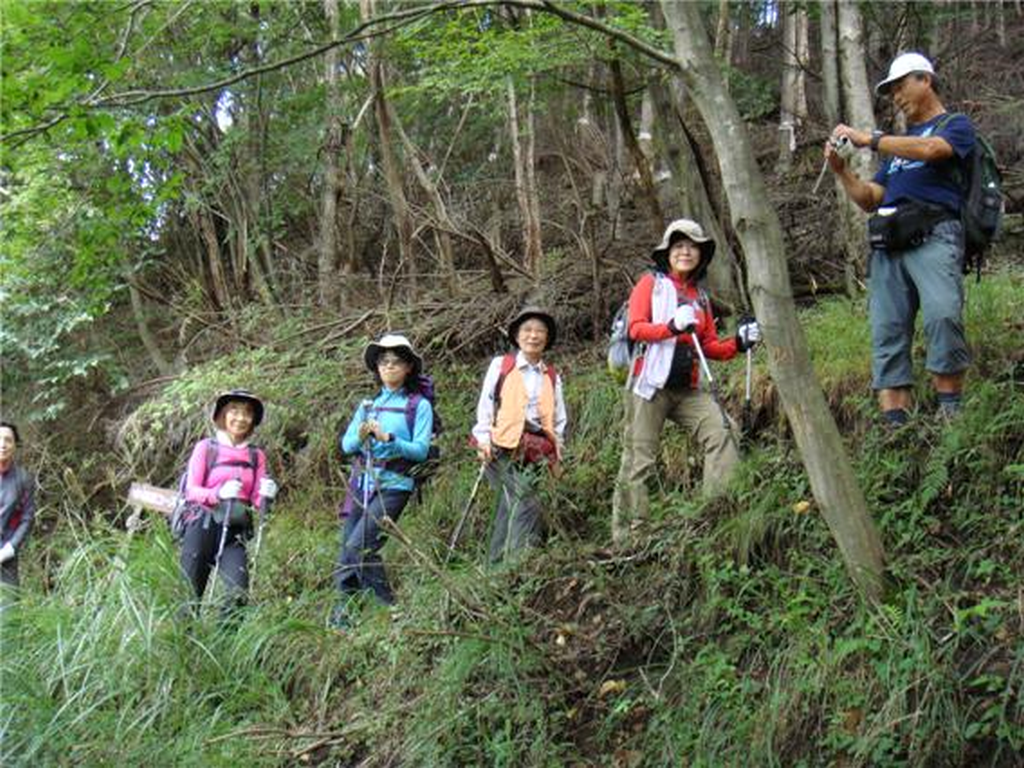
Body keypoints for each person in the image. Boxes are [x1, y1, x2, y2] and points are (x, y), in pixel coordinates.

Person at [826, 52, 975, 425]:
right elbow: (870, 199)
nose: (895, 96)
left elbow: (932, 150)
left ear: (925, 80)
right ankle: (898, 434)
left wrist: (871, 140)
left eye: (899, 86)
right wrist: (842, 171)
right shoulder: (898, 150)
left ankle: (951, 422)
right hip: (889, 244)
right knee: (887, 333)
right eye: (890, 91)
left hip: (935, 234)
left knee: (943, 316)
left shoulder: (954, 125)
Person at [611, 219, 760, 545]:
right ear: (668, 252)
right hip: (648, 384)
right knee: (639, 460)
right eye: (678, 246)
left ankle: (715, 515)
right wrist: (671, 327)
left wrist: (738, 342)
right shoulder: (651, 284)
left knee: (723, 431)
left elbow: (707, 347)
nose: (685, 251)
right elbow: (636, 328)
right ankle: (630, 538)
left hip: (688, 388)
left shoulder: (700, 298)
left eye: (692, 246)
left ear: (701, 255)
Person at [333, 334, 433, 628]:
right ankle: (343, 616)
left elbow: (421, 450)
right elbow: (346, 446)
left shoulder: (419, 405)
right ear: (377, 368)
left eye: (396, 362)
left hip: (396, 484)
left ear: (408, 368)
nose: (389, 367)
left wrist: (389, 439)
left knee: (360, 545)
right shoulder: (367, 406)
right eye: (384, 362)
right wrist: (362, 434)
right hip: (362, 483)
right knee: (346, 551)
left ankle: (389, 609)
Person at [471, 306, 567, 564]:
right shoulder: (502, 366)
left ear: (547, 338)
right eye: (527, 330)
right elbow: (486, 403)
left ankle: (494, 565)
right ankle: (519, 563)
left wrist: (557, 454)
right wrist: (483, 439)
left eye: (540, 331)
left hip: (535, 450)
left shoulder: (552, 376)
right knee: (525, 501)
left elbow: (558, 419)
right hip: (501, 445)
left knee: (508, 505)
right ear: (517, 335)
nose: (533, 336)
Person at [179, 390, 277, 616]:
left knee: (238, 593)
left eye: (247, 414)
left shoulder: (256, 456)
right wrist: (217, 493)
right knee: (188, 598)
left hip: (235, 531)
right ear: (222, 414)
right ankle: (185, 646)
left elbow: (256, 499)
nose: (241, 418)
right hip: (201, 525)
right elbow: (191, 490)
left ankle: (224, 643)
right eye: (234, 411)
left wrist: (267, 495)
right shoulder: (206, 448)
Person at [0, 421, 35, 591]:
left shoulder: (23, 479)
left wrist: (11, 547)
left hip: (6, 558)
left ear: (14, 445)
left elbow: (27, 518)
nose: (2, 445)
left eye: (8, 440)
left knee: (9, 615)